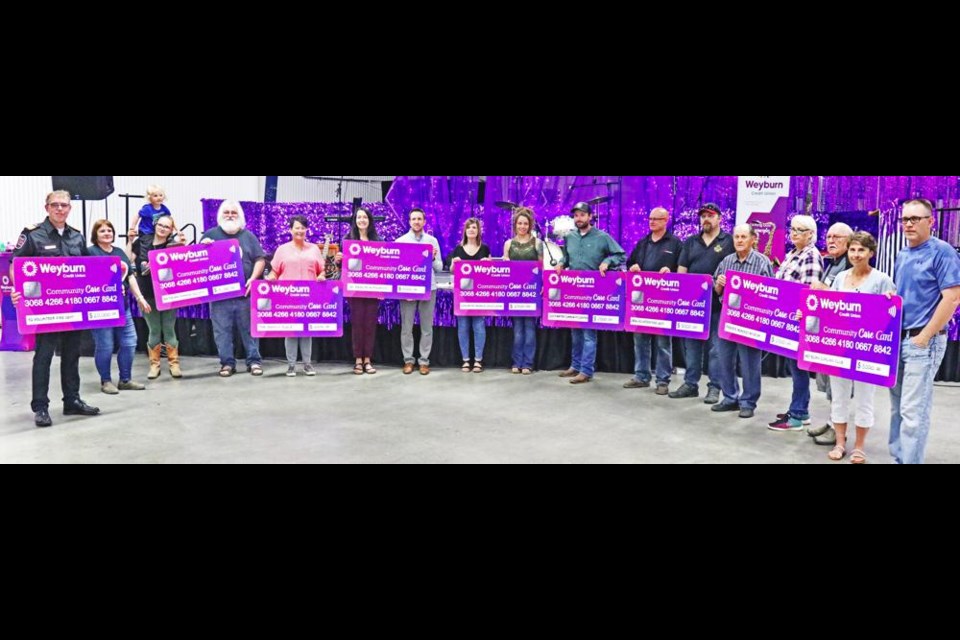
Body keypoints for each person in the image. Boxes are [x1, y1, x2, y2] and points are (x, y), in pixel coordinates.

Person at [9, 191, 100, 427]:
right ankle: (40, 407)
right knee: (43, 357)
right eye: (55, 205)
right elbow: (16, 265)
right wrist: (16, 290)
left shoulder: (77, 237)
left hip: (72, 307)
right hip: (45, 310)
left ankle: (72, 401)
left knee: (71, 355)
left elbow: (87, 269)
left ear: (70, 208)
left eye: (64, 205)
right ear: (47, 207)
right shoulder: (32, 235)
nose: (60, 209)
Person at [888, 199, 960, 464]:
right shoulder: (903, 254)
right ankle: (899, 459)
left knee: (912, 411)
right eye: (905, 219)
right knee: (897, 408)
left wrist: (925, 337)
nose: (908, 224)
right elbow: (906, 293)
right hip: (899, 340)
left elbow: (952, 298)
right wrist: (892, 295)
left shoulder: (942, 252)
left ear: (931, 221)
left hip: (922, 343)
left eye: (915, 219)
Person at [814, 232, 894, 463]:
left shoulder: (881, 280)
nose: (856, 255)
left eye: (861, 250)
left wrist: (890, 301)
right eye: (852, 250)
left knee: (864, 400)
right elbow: (830, 309)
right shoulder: (840, 278)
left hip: (867, 351)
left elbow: (890, 316)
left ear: (871, 253)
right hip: (839, 347)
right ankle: (840, 443)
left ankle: (859, 447)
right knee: (838, 398)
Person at [556, 201, 626, 384]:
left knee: (588, 333)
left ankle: (586, 371)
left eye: (582, 215)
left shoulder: (602, 237)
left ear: (590, 217)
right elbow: (568, 257)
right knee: (575, 331)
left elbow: (621, 255)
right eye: (576, 215)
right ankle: (575, 365)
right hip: (574, 290)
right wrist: (562, 263)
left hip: (593, 292)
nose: (579, 218)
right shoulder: (569, 237)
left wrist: (607, 262)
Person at [672, 203, 735, 402]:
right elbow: (681, 270)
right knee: (691, 347)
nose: (705, 219)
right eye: (702, 216)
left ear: (719, 218)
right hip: (693, 305)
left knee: (716, 348)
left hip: (718, 305)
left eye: (710, 215)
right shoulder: (691, 242)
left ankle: (714, 387)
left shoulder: (729, 241)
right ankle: (691, 384)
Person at [768, 214, 824, 431]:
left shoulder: (811, 256)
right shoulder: (793, 253)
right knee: (795, 367)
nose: (794, 233)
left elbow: (808, 293)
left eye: (800, 230)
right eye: (792, 229)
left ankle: (797, 415)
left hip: (798, 321)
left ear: (811, 234)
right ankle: (801, 409)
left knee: (799, 368)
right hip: (785, 319)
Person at [712, 224, 773, 419]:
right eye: (736, 237)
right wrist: (719, 285)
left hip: (750, 320)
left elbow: (770, 293)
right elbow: (716, 290)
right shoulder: (726, 261)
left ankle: (748, 402)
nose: (739, 240)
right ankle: (730, 397)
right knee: (724, 358)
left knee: (749, 363)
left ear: (753, 239)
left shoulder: (763, 262)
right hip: (727, 317)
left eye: (743, 237)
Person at [200, 200, 267, 377]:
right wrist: (202, 248)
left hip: (245, 294)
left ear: (240, 216)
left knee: (249, 330)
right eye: (227, 212)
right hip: (219, 297)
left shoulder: (249, 236)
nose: (230, 215)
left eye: (234, 212)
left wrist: (253, 279)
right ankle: (227, 363)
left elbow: (260, 259)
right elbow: (196, 262)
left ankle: (254, 361)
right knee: (222, 332)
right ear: (221, 215)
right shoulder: (210, 235)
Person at [623, 207, 682, 395]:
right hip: (641, 300)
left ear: (666, 220)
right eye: (650, 218)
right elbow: (629, 262)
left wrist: (671, 273)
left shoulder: (675, 244)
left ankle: (663, 380)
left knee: (663, 342)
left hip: (663, 300)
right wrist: (632, 267)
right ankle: (641, 376)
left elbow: (682, 270)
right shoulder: (643, 242)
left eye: (657, 219)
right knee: (640, 339)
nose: (652, 221)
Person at [88, 219, 148, 394]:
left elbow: (129, 277)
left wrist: (140, 298)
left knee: (130, 343)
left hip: (123, 308)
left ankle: (125, 379)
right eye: (102, 231)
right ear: (95, 235)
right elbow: (87, 278)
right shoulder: (90, 252)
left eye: (109, 230)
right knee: (105, 345)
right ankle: (105, 381)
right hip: (100, 310)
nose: (107, 233)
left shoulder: (120, 252)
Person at [806, 223, 854, 444]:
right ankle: (833, 423)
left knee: (841, 387)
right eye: (829, 236)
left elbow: (849, 300)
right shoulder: (832, 263)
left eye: (838, 237)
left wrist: (822, 290)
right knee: (830, 385)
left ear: (849, 241)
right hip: (826, 332)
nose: (831, 240)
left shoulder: (851, 265)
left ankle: (838, 431)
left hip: (842, 334)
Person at [266, 215, 326, 377]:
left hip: (309, 297)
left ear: (306, 230)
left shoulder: (314, 249)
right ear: (290, 230)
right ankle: (291, 365)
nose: (300, 230)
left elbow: (322, 270)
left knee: (307, 332)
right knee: (291, 332)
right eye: (297, 227)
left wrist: (321, 276)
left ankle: (307, 364)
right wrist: (270, 278)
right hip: (288, 297)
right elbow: (274, 271)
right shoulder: (282, 250)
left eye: (302, 228)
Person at [130, 215, 186, 379]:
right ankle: (154, 366)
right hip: (147, 293)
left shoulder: (174, 245)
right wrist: (129, 239)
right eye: (160, 225)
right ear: (155, 225)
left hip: (168, 294)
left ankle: (174, 364)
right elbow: (127, 261)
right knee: (154, 329)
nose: (162, 228)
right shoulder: (141, 242)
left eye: (167, 227)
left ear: (171, 230)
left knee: (169, 329)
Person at [396, 208, 443, 375]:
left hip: (429, 288)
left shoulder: (432, 241)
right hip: (407, 290)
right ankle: (408, 361)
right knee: (406, 328)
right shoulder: (400, 241)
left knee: (426, 327)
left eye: (419, 219)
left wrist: (432, 259)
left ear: (424, 221)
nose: (416, 221)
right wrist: (404, 290)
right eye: (413, 219)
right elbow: (396, 269)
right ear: (409, 222)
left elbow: (439, 267)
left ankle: (424, 361)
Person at [337, 207, 382, 374]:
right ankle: (357, 359)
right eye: (359, 217)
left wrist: (382, 288)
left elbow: (382, 266)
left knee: (370, 325)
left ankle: (368, 359)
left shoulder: (377, 241)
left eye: (365, 217)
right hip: (354, 290)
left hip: (372, 290)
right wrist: (338, 260)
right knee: (357, 325)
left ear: (369, 220)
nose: (362, 220)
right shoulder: (347, 239)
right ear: (354, 221)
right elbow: (343, 267)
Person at [503, 207, 543, 375]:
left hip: (532, 292)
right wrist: (505, 262)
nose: (522, 226)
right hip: (515, 292)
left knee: (529, 328)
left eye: (525, 223)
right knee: (517, 329)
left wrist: (543, 285)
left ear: (530, 225)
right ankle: (516, 362)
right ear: (515, 225)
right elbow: (505, 267)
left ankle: (527, 363)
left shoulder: (537, 243)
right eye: (519, 223)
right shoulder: (508, 243)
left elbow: (542, 266)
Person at [452, 217, 492, 372]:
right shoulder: (458, 249)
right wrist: (454, 265)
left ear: (478, 230)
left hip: (479, 294)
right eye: (469, 227)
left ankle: (478, 360)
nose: (471, 230)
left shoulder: (485, 248)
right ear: (465, 231)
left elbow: (490, 273)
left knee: (479, 326)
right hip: (462, 294)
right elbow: (452, 272)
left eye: (474, 227)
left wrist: (488, 264)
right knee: (462, 326)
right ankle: (465, 359)